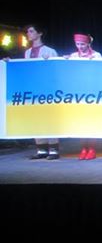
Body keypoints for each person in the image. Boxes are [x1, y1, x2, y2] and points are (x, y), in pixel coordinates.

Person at [23, 25, 61, 160]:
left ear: (40, 33)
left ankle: (53, 149)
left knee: (49, 118)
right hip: (34, 90)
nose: (28, 33)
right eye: (27, 31)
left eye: (31, 31)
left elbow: (57, 69)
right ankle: (41, 148)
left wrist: (48, 62)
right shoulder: (27, 52)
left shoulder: (49, 51)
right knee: (36, 118)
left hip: (48, 90)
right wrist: (8, 64)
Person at [66, 33, 102, 160]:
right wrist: (65, 61)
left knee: (91, 121)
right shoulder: (73, 56)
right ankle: (83, 148)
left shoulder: (96, 55)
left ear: (88, 44)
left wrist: (94, 63)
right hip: (78, 94)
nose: (80, 47)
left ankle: (92, 148)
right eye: (78, 44)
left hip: (92, 92)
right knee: (80, 122)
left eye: (82, 44)